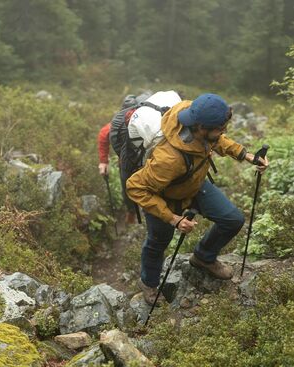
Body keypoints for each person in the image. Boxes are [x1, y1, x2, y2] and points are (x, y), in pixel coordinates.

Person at [126, 93, 269, 304]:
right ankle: (149, 283)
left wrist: (246, 155)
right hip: (163, 198)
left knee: (232, 220)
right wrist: (173, 219)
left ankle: (203, 257)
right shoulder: (169, 160)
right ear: (200, 128)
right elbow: (135, 187)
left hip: (194, 184)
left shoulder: (195, 116)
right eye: (219, 128)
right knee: (158, 243)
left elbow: (216, 140)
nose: (224, 131)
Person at [97, 95, 137, 224]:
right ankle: (132, 213)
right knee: (128, 189)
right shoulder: (119, 123)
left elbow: (104, 134)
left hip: (134, 163)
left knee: (129, 188)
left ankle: (135, 213)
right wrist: (104, 161)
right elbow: (104, 135)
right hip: (131, 163)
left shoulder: (118, 122)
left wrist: (104, 161)